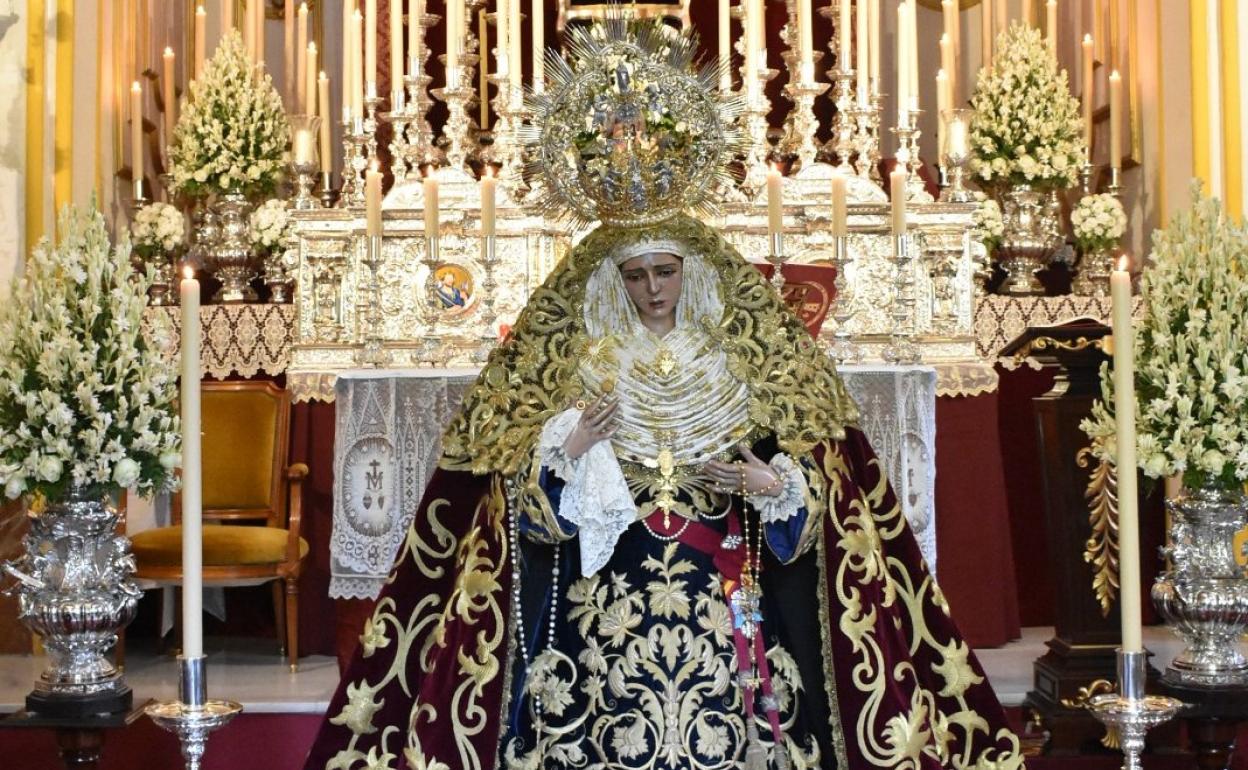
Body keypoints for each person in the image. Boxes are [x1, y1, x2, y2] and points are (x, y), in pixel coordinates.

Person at [304, 18, 1023, 770]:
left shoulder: (741, 357)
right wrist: (570, 451)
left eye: (665, 272)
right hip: (606, 583)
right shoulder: (579, 359)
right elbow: (514, 508)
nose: (653, 290)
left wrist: (771, 485)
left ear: (692, 272)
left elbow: (816, 486)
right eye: (637, 276)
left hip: (724, 574)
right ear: (616, 281)